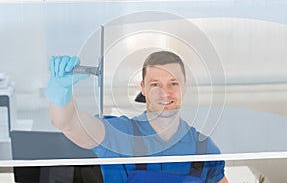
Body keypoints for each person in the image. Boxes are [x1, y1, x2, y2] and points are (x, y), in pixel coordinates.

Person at [45, 51, 228, 183]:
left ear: (184, 86)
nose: (165, 93)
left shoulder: (203, 147)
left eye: (173, 83)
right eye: (155, 84)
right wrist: (61, 91)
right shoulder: (120, 135)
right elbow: (69, 123)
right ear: (143, 88)